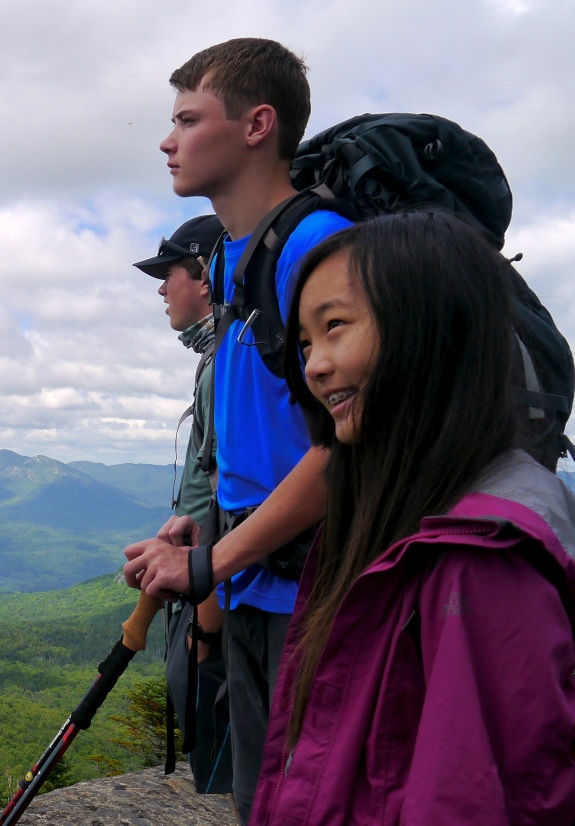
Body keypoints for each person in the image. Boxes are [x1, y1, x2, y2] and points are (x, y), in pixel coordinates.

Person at [250, 210, 575, 824]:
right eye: (305, 342)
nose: (314, 365)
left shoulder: (478, 564)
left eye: (336, 326)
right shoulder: (411, 521)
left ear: (432, 329)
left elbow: (467, 801)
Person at [121, 38, 351, 823]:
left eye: (188, 118)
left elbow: (352, 443)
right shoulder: (232, 262)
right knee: (263, 805)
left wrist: (212, 561)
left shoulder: (318, 248)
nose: (167, 139)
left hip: (316, 598)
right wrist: (205, 521)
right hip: (257, 586)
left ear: (258, 124)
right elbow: (260, 436)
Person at [133, 213, 231, 793]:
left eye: (168, 273)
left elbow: (237, 501)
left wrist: (207, 629)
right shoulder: (221, 354)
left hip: (213, 594)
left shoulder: (228, 363)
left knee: (218, 738)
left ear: (203, 273)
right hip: (203, 581)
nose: (161, 289)